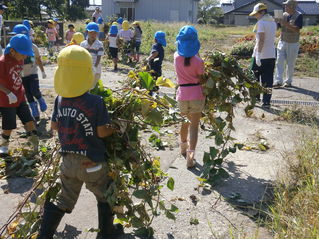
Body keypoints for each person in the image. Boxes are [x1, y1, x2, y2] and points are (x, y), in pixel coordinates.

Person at [36, 45, 124, 239]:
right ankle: (106, 233)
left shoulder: (60, 100)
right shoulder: (96, 102)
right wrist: (116, 127)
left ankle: (44, 236)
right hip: (92, 162)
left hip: (68, 162)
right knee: (105, 193)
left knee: (64, 198)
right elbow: (102, 132)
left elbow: (54, 126)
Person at [0, 34, 38, 155]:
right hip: (6, 100)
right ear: (12, 51)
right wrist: (9, 93)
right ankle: (4, 145)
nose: (25, 56)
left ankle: (35, 144)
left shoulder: (20, 58)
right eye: (22, 53)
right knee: (8, 126)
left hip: (20, 96)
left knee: (29, 121)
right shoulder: (2, 62)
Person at [174, 26, 204, 168]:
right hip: (196, 94)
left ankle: (183, 147)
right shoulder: (199, 61)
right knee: (194, 125)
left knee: (184, 123)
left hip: (182, 94)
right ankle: (191, 156)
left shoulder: (176, 57)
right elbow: (201, 76)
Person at [11, 24, 48, 121]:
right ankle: (35, 112)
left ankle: (40, 100)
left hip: (32, 73)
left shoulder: (33, 47)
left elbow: (38, 59)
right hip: (22, 75)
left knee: (34, 90)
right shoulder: (13, 49)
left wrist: (43, 71)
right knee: (28, 94)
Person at [249, 3, 276, 108]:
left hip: (261, 55)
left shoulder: (261, 23)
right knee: (268, 80)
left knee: (254, 78)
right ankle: (266, 102)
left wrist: (258, 55)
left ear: (262, 12)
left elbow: (261, 40)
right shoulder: (273, 22)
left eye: (257, 14)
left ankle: (255, 99)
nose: (256, 16)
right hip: (271, 55)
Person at [273, 0, 303, 88]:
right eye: (285, 5)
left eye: (287, 5)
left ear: (293, 6)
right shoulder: (283, 15)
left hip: (293, 43)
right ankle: (278, 81)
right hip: (282, 41)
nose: (285, 7)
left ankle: (288, 81)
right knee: (279, 61)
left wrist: (285, 24)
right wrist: (275, 21)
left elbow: (297, 29)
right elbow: (277, 28)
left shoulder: (299, 15)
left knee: (290, 63)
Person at [80, 22, 104, 89]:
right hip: (85, 67)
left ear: (97, 33)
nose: (93, 35)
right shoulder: (83, 44)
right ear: (87, 32)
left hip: (96, 68)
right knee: (84, 86)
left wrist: (94, 67)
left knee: (92, 86)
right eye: (91, 32)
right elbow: (81, 56)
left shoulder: (99, 44)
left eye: (95, 33)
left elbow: (99, 57)